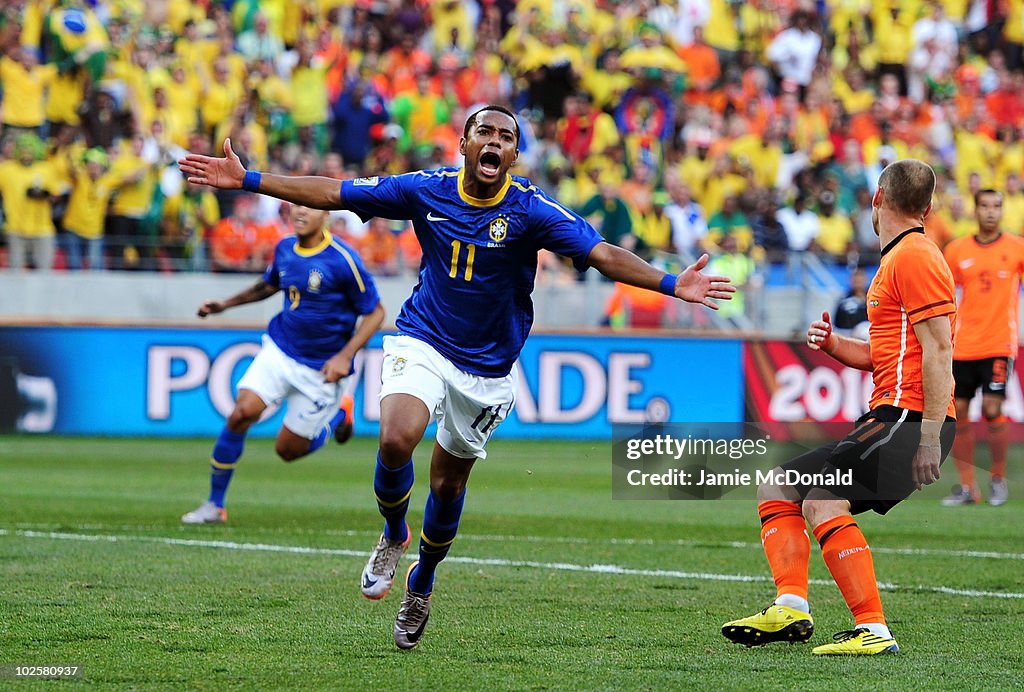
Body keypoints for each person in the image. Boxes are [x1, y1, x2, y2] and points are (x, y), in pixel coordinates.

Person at [179, 105, 734, 650]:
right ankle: (394, 533)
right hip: (422, 338)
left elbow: (601, 253)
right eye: (483, 132)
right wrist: (249, 179)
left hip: (488, 369)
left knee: (447, 484)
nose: (494, 141)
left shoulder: (534, 210)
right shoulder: (426, 188)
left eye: (506, 136)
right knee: (397, 438)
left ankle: (422, 581)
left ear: (515, 154)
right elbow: (337, 192)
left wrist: (669, 283)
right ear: (464, 145)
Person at [721, 160, 956, 656]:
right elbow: (884, 355)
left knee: (822, 499)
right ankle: (791, 606)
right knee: (780, 484)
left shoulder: (914, 256)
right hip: (892, 415)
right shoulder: (899, 259)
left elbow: (939, 349)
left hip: (908, 418)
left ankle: (873, 629)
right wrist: (834, 346)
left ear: (876, 199)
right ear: (928, 207)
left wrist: (931, 434)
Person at [180, 203, 385, 525]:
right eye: (296, 207)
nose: (300, 213)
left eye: (310, 208)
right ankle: (214, 505)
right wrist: (225, 305)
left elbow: (376, 313)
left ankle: (336, 418)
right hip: (281, 349)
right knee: (241, 413)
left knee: (287, 451)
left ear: (326, 216)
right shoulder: (285, 248)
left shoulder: (343, 260)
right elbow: (268, 285)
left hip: (321, 369)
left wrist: (344, 357)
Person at [940, 189, 1024, 506]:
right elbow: (945, 293)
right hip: (963, 346)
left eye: (996, 206)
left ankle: (998, 479)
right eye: (985, 206)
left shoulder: (1017, 248)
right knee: (959, 413)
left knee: (992, 409)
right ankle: (967, 487)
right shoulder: (957, 250)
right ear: (975, 211)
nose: (991, 211)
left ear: (1003, 210)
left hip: (1000, 343)